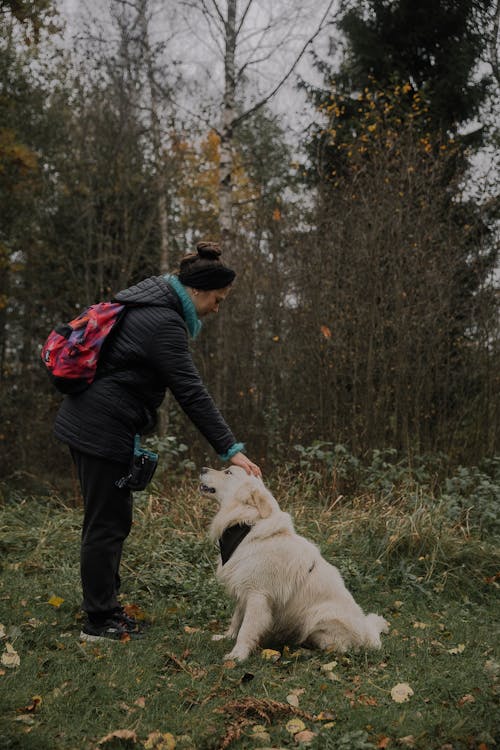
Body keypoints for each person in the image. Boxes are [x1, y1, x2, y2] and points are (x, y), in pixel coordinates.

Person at [54, 241, 261, 642]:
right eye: (217, 300)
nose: (218, 309)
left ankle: (106, 609)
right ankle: (100, 621)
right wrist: (230, 449)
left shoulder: (149, 304)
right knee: (107, 524)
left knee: (108, 519)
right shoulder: (163, 323)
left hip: (95, 422)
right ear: (198, 291)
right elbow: (191, 391)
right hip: (100, 427)